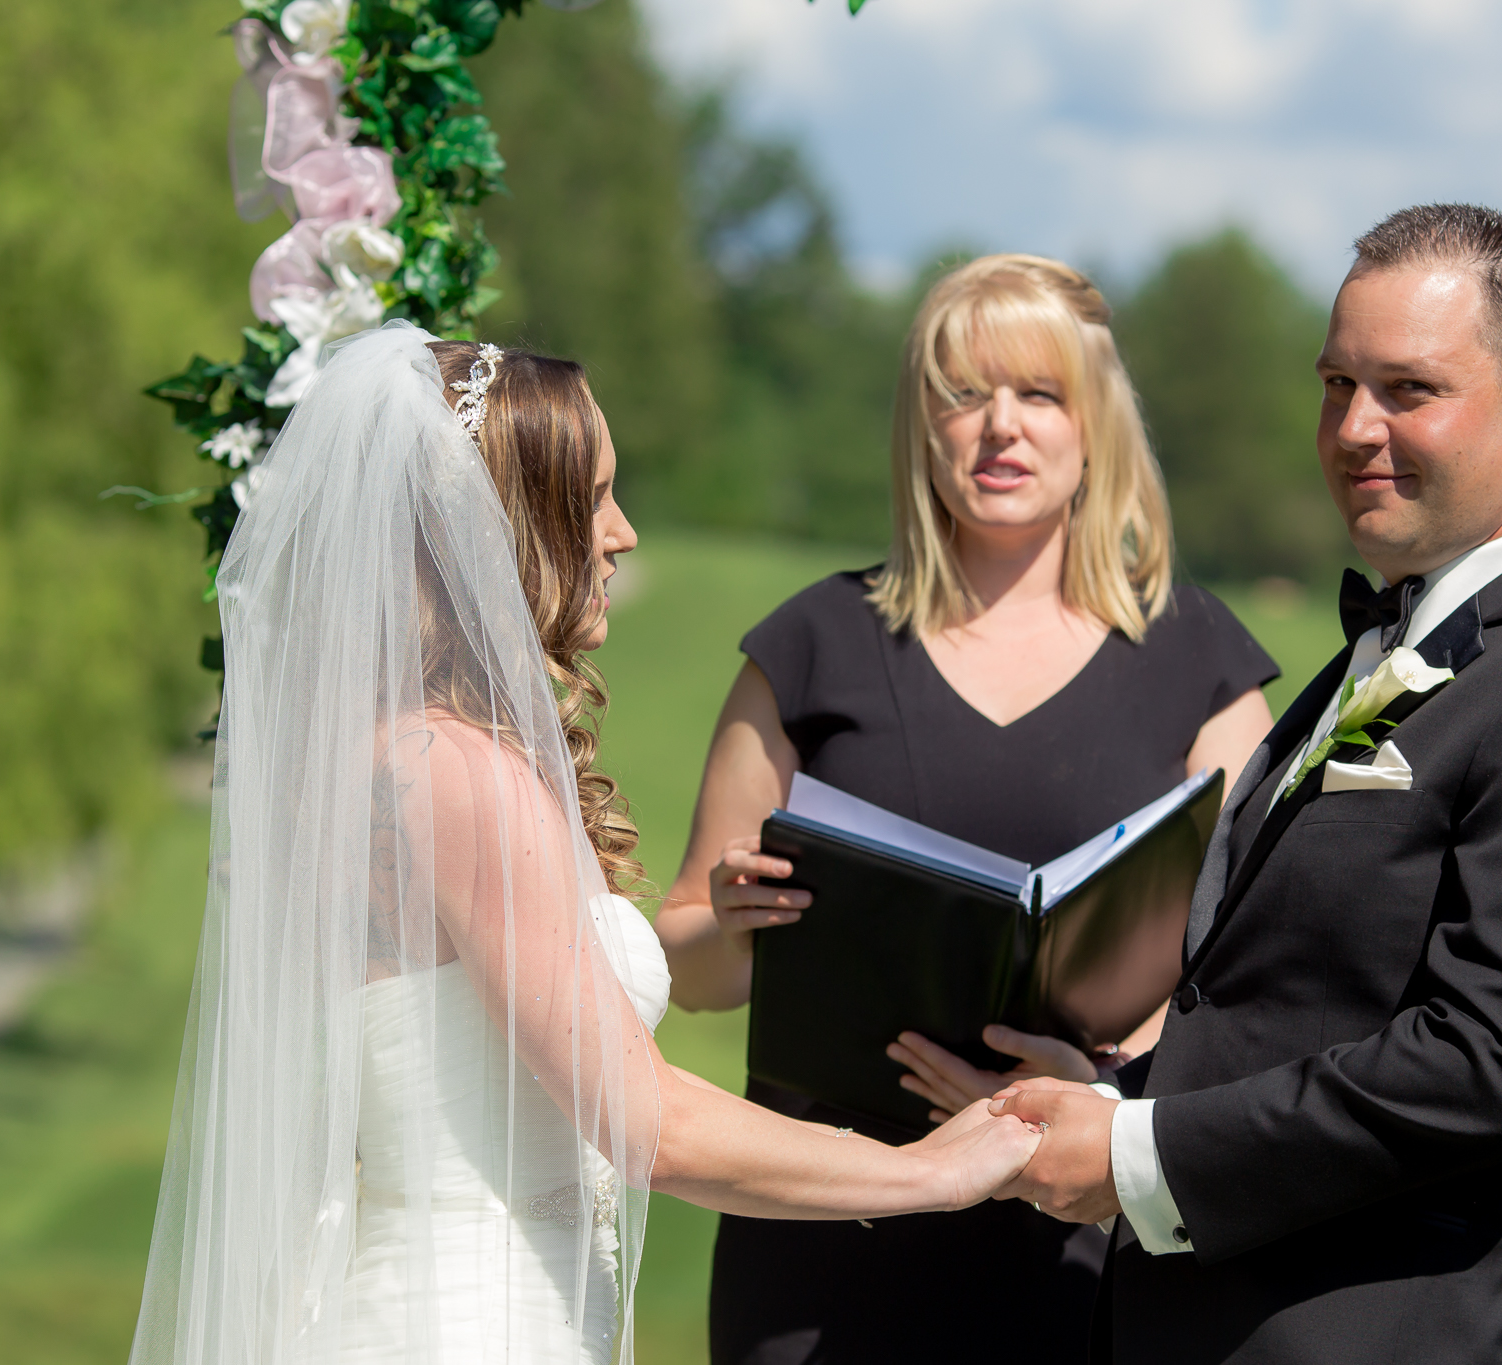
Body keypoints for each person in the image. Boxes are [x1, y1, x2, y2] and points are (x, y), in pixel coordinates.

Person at [127, 322, 1042, 1365]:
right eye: (594, 498)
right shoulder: (451, 771)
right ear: (504, 522)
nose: (623, 533)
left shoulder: (386, 757)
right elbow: (649, 1120)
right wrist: (934, 1171)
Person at [992, 205, 1502, 1365]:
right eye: (1335, 384)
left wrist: (1140, 1157)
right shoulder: (1380, 651)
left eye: (1407, 390)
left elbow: (1492, 1064)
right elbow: (1299, 1000)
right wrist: (1123, 1098)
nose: (1354, 429)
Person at [652, 254, 1279, 1364]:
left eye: (1038, 395)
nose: (1000, 428)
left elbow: (1251, 982)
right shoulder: (807, 649)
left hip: (1076, 1236)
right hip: (820, 1240)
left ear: (1095, 428)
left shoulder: (1202, 667)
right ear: (918, 427)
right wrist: (734, 923)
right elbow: (688, 970)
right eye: (962, 395)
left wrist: (1096, 1080)